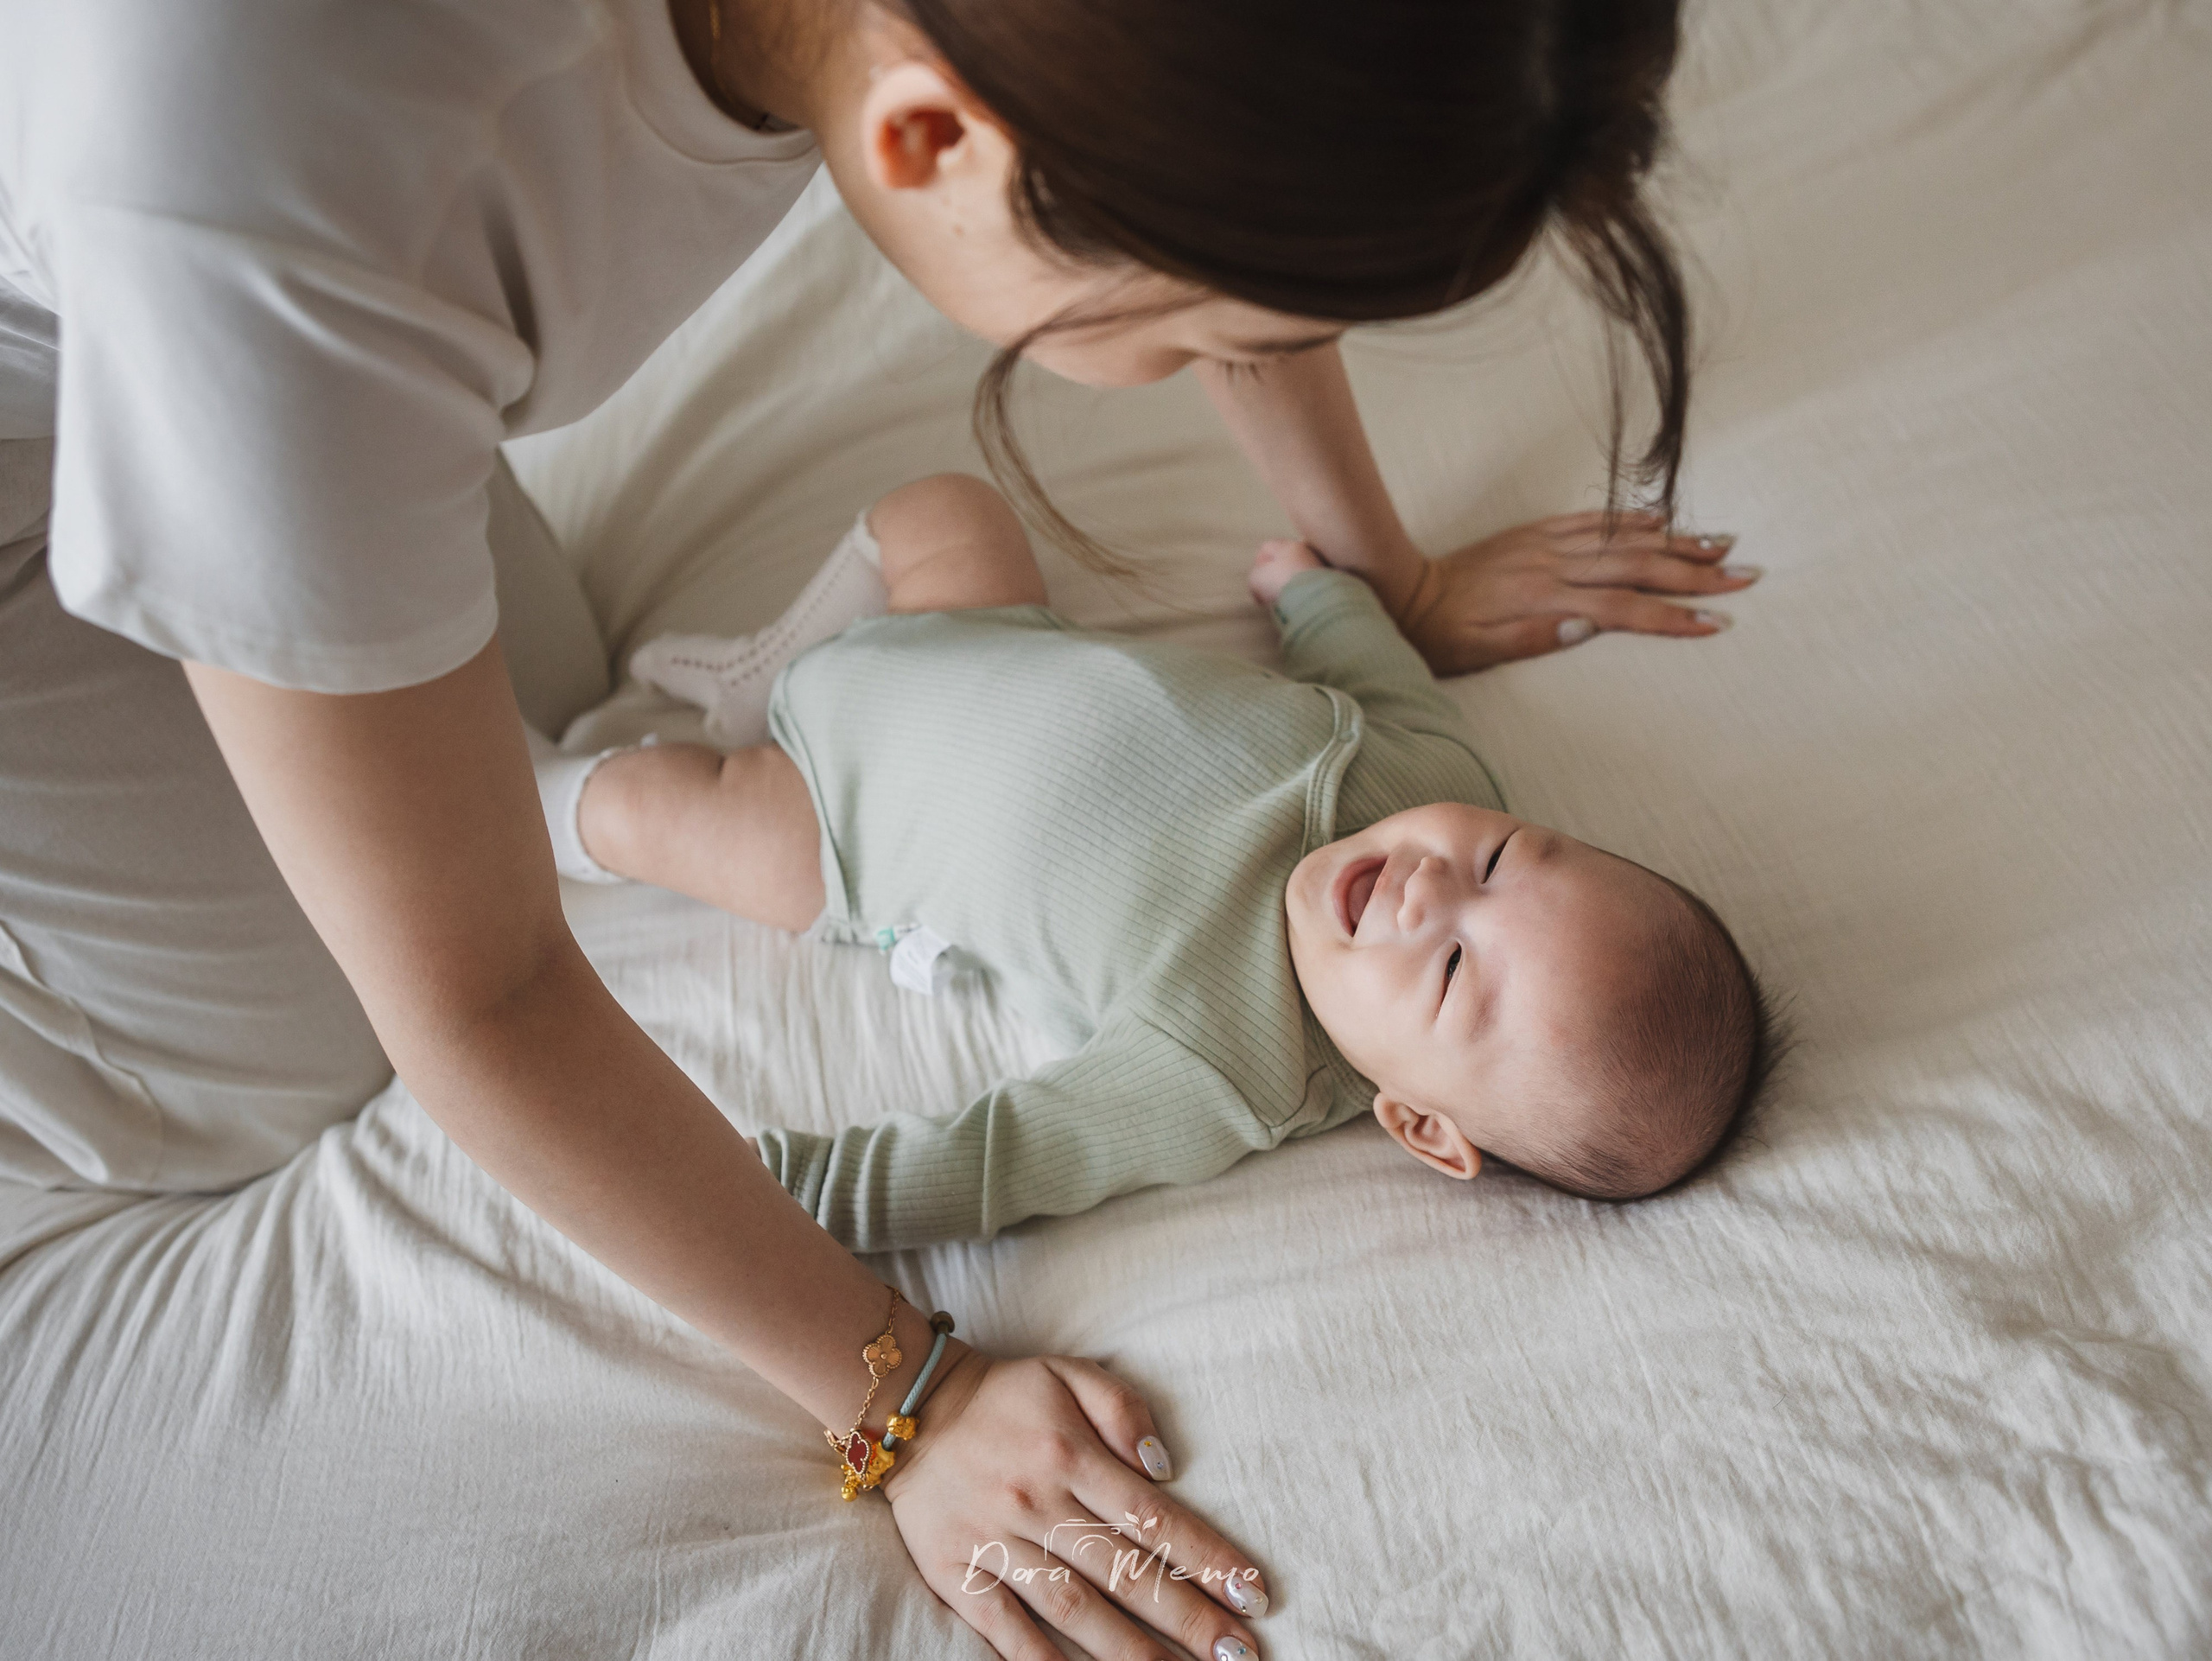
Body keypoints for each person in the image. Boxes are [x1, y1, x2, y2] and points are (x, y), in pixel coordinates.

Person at [0, 0, 1751, 1652]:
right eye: (1200, 341)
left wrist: (1389, 574)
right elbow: (479, 994)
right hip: (102, 355)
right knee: (291, 1043)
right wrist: (895, 1390)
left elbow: (1249, 176)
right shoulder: (275, 194)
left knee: (533, 689)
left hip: (239, 300)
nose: (1224, 365)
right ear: (931, 142)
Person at [546, 473, 1777, 1250]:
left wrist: (794, 1191)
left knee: (656, 809)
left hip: (836, 825)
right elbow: (1381, 679)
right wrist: (1315, 597)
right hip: (975, 632)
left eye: (1454, 970)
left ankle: (536, 796)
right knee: (947, 510)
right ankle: (769, 669)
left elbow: (1004, 1157)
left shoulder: (1225, 1066)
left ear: (1418, 1123)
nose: (1433, 884)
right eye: (1503, 859)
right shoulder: (1431, 785)